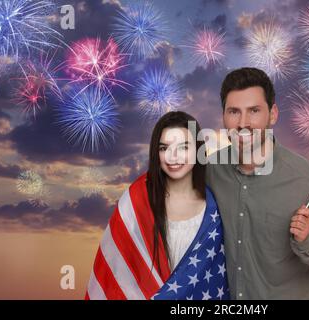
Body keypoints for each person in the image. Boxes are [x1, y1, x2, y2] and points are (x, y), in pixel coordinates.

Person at [206, 67, 309, 300]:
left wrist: (307, 240)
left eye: (254, 111)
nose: (243, 123)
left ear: (273, 114)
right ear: (224, 116)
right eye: (234, 112)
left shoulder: (304, 178)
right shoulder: (210, 171)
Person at [86, 111, 229, 300]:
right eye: (164, 148)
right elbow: (116, 271)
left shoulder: (214, 210)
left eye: (184, 147)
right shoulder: (137, 199)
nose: (173, 156)